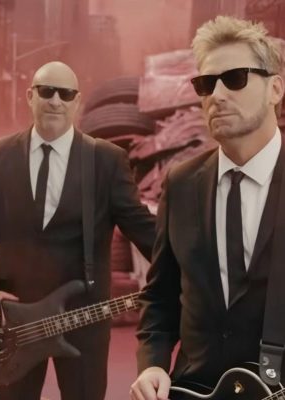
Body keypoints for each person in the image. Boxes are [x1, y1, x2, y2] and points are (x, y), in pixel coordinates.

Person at [0, 61, 156, 400]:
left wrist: (193, 267)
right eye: (46, 91)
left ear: (77, 101)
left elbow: (144, 229)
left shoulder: (105, 159)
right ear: (30, 96)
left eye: (65, 94)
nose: (55, 101)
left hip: (83, 318)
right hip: (14, 321)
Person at [130, 15, 285, 400]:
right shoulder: (181, 183)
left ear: (276, 89)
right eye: (206, 83)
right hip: (194, 389)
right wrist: (152, 363)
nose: (216, 94)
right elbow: (160, 296)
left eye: (235, 78)